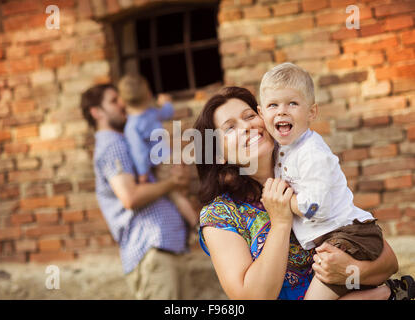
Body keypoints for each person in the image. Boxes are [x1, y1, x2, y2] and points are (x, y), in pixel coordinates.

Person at [193, 86, 406, 300]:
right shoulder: (220, 215)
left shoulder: (304, 174)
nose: (247, 126)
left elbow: (388, 261)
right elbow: (252, 297)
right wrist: (281, 223)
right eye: (230, 128)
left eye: (250, 116)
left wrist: (351, 272)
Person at [257, 62, 415, 299]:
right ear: (261, 114)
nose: (282, 111)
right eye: (273, 105)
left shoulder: (312, 152)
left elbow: (316, 208)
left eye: (292, 103)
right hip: (334, 238)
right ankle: (390, 295)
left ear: (312, 112)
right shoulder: (283, 147)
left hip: (350, 236)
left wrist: (284, 203)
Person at [81, 83, 189, 299]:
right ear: (96, 112)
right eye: (113, 101)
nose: (122, 104)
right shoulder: (112, 145)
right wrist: (171, 184)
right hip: (152, 252)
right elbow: (130, 197)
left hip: (163, 249)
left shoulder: (126, 139)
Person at [118, 74, 198, 229]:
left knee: (176, 195)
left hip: (160, 164)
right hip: (170, 156)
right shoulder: (153, 112)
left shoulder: (132, 127)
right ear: (148, 94)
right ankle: (191, 221)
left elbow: (139, 152)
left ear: (122, 101)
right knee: (182, 192)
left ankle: (195, 223)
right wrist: (166, 102)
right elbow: (167, 112)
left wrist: (143, 174)